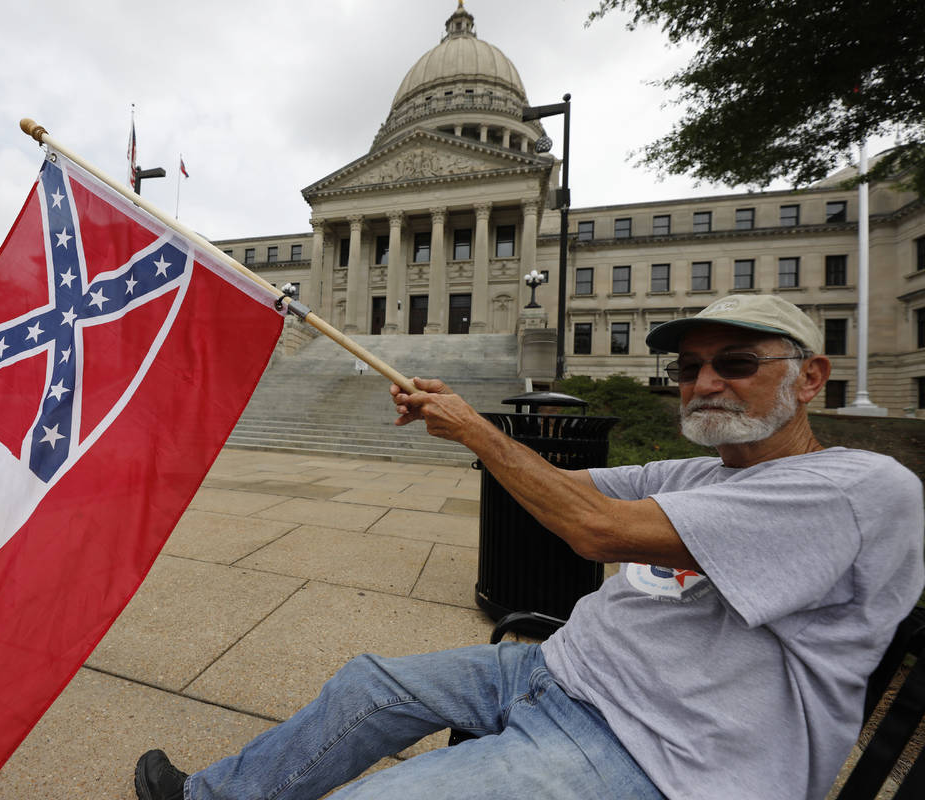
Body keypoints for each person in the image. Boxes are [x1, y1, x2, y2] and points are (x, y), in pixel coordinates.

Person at [135, 294, 924, 800]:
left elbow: (596, 530)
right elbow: (575, 489)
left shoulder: (858, 489)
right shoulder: (704, 470)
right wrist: (470, 425)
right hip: (560, 670)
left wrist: (478, 430)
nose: (705, 382)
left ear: (812, 377)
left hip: (667, 752)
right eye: (689, 367)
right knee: (366, 684)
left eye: (736, 363)